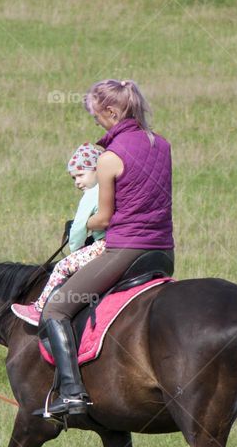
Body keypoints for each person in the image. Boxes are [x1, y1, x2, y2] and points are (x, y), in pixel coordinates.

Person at [36, 79, 175, 418]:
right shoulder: (162, 144)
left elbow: (106, 217)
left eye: (97, 116)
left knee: (56, 308)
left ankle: (71, 393)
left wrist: (82, 226)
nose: (96, 122)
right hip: (163, 253)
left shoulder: (110, 158)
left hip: (125, 252)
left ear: (112, 112)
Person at [11, 143, 106, 326]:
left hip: (102, 246)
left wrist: (75, 250)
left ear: (97, 170)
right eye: (73, 178)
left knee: (62, 267)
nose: (77, 182)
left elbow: (78, 227)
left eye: (80, 175)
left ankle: (39, 309)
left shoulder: (91, 194)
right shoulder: (111, 189)